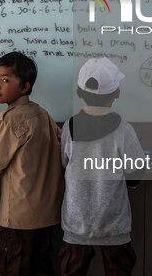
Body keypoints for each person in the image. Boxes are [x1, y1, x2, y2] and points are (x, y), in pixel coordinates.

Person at [59, 57, 145, 276]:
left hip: (76, 223)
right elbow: (135, 174)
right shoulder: (124, 130)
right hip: (113, 223)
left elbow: (64, 163)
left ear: (79, 92)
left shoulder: (69, 127)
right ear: (117, 93)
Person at [0, 51, 64, 276]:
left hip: (20, 216)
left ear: (25, 87)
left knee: (15, 268)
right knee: (41, 267)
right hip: (46, 214)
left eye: (5, 80)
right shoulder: (43, 114)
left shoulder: (12, 118)